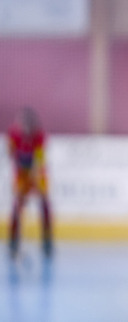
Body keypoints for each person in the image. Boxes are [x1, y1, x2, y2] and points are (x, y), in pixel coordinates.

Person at [8, 107, 53, 258]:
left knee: (44, 203)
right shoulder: (14, 135)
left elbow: (40, 159)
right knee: (17, 206)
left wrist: (35, 177)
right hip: (21, 173)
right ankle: (13, 242)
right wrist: (22, 179)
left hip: (37, 172)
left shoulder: (39, 136)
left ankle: (47, 241)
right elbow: (11, 154)